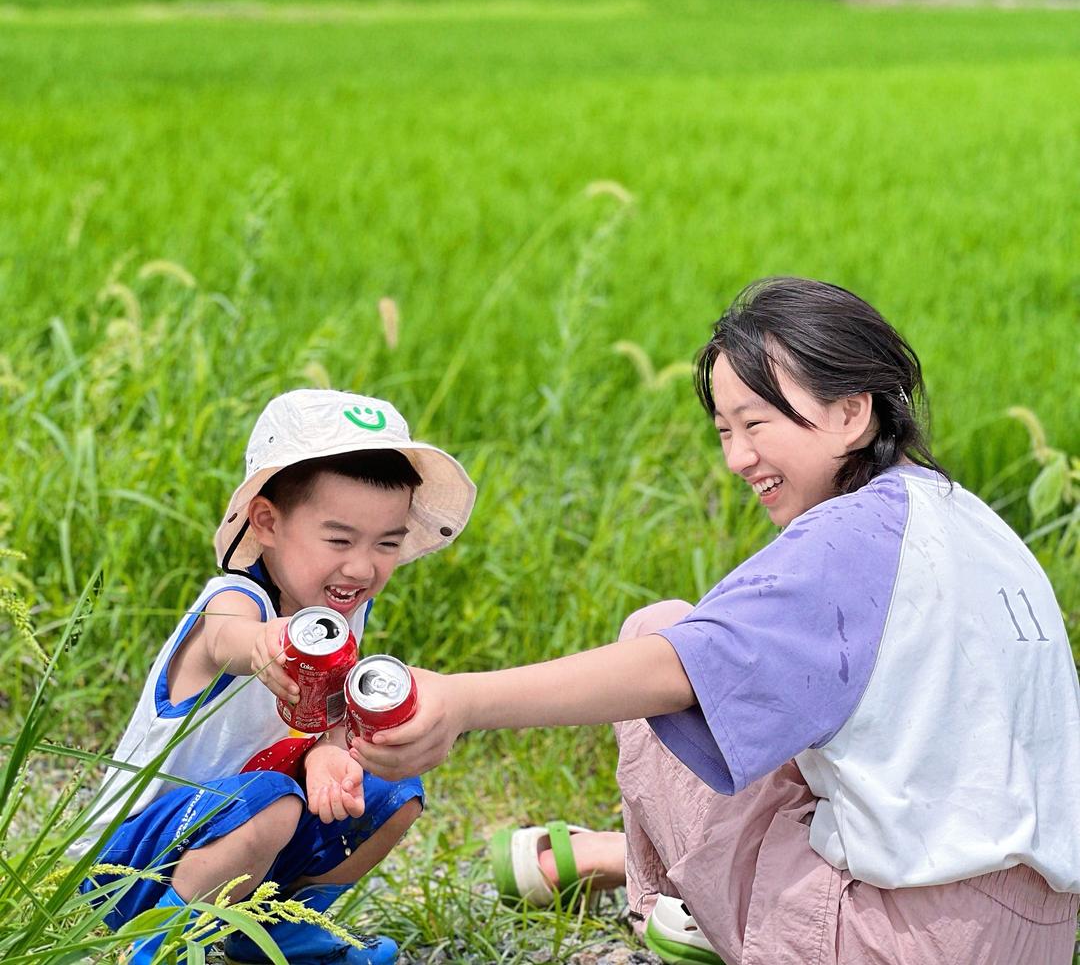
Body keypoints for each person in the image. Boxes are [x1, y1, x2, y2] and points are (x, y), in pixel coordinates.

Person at [353, 278, 1080, 964]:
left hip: (895, 942)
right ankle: (637, 873)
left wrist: (457, 701)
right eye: (724, 430)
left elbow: (676, 666)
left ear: (853, 413)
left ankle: (668, 898)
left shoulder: (847, 540)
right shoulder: (966, 516)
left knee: (657, 634)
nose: (737, 457)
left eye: (756, 423)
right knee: (768, 706)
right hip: (1043, 936)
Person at [75, 389, 476, 965]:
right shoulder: (237, 601)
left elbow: (330, 717)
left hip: (249, 829)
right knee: (272, 802)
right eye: (339, 539)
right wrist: (263, 646)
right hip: (128, 868)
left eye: (387, 544)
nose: (362, 567)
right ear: (266, 521)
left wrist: (331, 752)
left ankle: (271, 924)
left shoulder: (341, 615)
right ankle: (158, 944)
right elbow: (225, 637)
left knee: (393, 793)